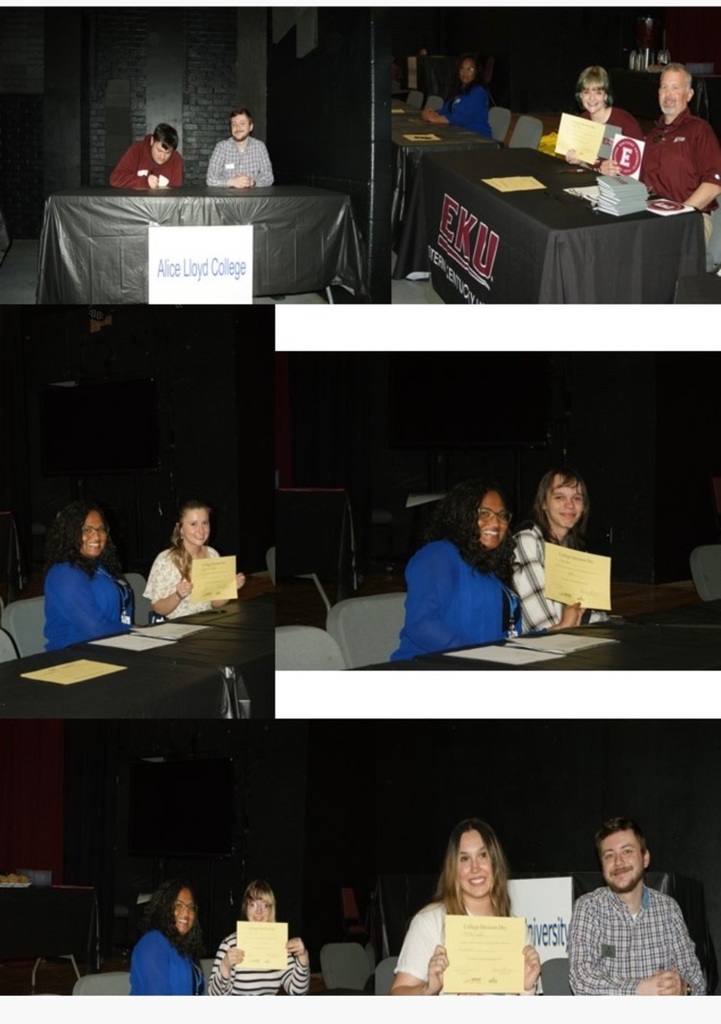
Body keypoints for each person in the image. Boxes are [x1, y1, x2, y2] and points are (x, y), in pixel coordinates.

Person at [391, 818, 541, 995]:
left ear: (496, 863)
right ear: (453, 868)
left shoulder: (516, 930)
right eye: (464, 859)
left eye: (482, 855)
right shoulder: (429, 922)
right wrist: (429, 989)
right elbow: (397, 994)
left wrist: (527, 987)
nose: (475, 868)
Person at [568, 817, 706, 996]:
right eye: (609, 855)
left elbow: (697, 980)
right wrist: (641, 989)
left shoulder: (669, 910)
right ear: (602, 864)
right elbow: (580, 978)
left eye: (627, 851)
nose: (618, 862)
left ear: (645, 858)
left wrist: (683, 988)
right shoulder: (589, 908)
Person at [390, 479, 521, 661]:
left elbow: (506, 637)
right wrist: (478, 656)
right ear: (462, 515)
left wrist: (553, 632)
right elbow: (422, 625)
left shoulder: (494, 570)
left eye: (502, 515)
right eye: (485, 513)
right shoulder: (438, 555)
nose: (496, 522)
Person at [513, 468, 609, 634]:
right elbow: (543, 626)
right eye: (560, 497)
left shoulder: (573, 550)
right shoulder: (527, 541)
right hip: (538, 649)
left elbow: (592, 616)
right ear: (543, 503)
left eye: (577, 498)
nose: (570, 505)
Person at [43, 500, 133, 650]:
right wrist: (135, 631)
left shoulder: (101, 567)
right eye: (87, 530)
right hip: (73, 659)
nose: (96, 536)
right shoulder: (64, 573)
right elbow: (95, 629)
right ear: (70, 533)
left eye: (101, 529)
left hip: (111, 649)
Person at [143, 500, 246, 620]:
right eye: (193, 524)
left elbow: (215, 603)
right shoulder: (165, 560)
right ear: (180, 528)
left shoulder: (212, 554)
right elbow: (158, 609)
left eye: (205, 523)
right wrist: (178, 596)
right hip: (176, 627)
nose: (201, 530)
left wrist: (231, 587)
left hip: (207, 623)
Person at [208, 880, 310, 996]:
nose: (259, 911)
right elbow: (213, 996)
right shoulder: (230, 943)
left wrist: (302, 958)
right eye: (253, 904)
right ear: (245, 908)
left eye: (265, 905)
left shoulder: (278, 943)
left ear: (271, 910)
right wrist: (225, 966)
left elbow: (298, 992)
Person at [130, 878, 205, 995]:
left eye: (190, 907)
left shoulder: (185, 950)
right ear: (164, 907)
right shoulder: (153, 943)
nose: (186, 913)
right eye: (178, 905)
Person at [565, 66, 643, 172]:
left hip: (618, 187)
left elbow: (637, 172)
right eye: (586, 92)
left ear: (606, 95)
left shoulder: (627, 125)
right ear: (580, 96)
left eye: (598, 92)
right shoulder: (581, 122)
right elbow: (590, 171)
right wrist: (580, 162)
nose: (592, 98)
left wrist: (615, 173)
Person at [420, 53, 492, 138]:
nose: (465, 72)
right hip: (459, 134)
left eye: (470, 69)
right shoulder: (459, 90)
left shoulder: (479, 91)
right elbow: (445, 110)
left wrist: (435, 118)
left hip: (478, 138)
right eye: (462, 68)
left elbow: (460, 118)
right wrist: (432, 113)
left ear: (476, 72)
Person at [206, 109, 274, 188]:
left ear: (250, 127)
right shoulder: (221, 147)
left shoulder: (259, 147)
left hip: (253, 199)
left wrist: (252, 182)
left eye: (242, 123)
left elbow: (269, 177)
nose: (237, 127)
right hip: (228, 199)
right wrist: (231, 182)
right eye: (234, 124)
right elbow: (210, 179)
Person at [110, 123, 184, 190]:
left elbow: (175, 194)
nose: (162, 157)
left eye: (168, 153)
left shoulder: (176, 160)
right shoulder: (137, 151)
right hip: (136, 204)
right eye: (159, 151)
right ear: (152, 141)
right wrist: (144, 182)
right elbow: (115, 179)